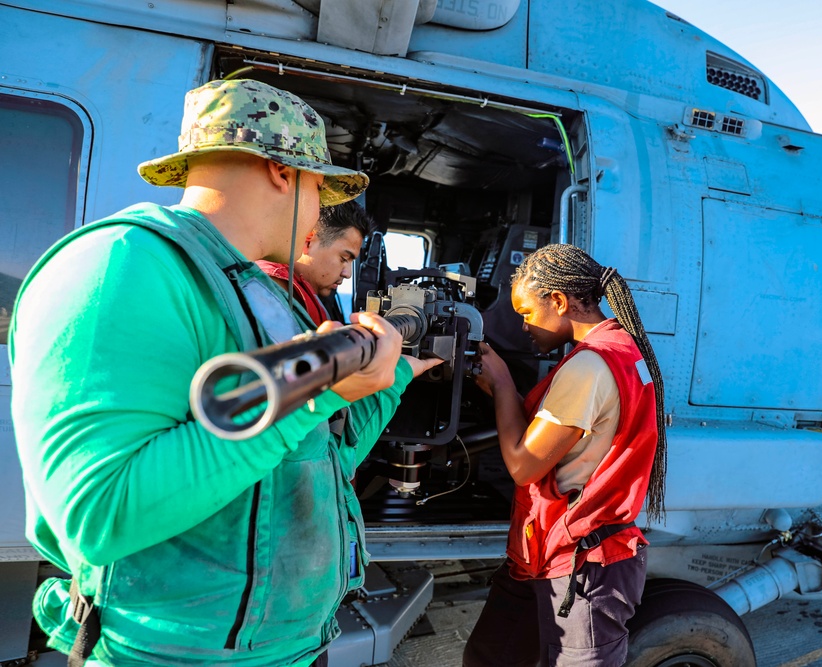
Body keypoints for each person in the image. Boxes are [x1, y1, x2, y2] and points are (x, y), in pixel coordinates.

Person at [8, 78, 439, 666]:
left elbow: (317, 452)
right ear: (283, 173)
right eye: (319, 189)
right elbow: (100, 512)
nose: (317, 215)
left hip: (285, 648)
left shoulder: (256, 288)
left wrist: (392, 380)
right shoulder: (120, 265)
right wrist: (312, 398)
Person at [463, 243, 667, 667]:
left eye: (527, 313)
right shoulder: (623, 348)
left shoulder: (588, 367)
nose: (523, 327)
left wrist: (502, 385)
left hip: (582, 566)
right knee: (491, 656)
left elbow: (523, 465)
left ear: (558, 301)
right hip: (553, 550)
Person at [257, 199, 375, 326]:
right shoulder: (270, 288)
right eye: (344, 258)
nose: (348, 274)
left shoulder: (299, 293)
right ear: (308, 242)